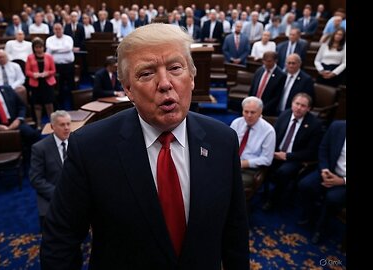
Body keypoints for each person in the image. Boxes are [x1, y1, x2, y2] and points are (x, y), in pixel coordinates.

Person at [41, 23, 250, 269]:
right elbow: (60, 240)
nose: (165, 83)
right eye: (146, 73)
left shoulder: (223, 140)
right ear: (128, 89)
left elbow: (235, 233)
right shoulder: (89, 148)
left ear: (192, 77)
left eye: (175, 68)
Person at [262, 93, 322, 211]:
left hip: (295, 157)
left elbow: (311, 152)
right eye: (297, 104)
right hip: (277, 152)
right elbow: (274, 135)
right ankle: (263, 191)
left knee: (282, 172)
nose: (299, 108)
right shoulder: (285, 114)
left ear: (309, 109)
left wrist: (287, 156)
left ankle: (273, 199)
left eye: (303, 106)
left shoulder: (315, 125)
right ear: (292, 104)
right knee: (262, 162)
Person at [297, 120, 346, 244]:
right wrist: (324, 170)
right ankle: (310, 215)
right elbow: (323, 148)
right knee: (305, 185)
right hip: (328, 171)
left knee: (332, 198)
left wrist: (342, 181)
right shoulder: (337, 126)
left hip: (344, 181)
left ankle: (320, 229)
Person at [30, 110, 71, 230]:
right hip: (52, 192)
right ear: (52, 127)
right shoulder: (39, 148)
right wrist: (58, 194)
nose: (67, 128)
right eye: (62, 125)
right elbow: (36, 179)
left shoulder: (76, 142)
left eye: (68, 124)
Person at [0, 69, 39, 158]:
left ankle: (31, 160)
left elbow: (21, 106)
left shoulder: (8, 89)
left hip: (14, 122)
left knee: (32, 134)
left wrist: (19, 119)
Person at [230, 97, 275, 190]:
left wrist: (244, 163)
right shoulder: (236, 123)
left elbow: (267, 159)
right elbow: (228, 146)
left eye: (253, 112)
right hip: (232, 163)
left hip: (250, 169)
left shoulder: (268, 131)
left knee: (233, 183)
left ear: (260, 112)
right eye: (246, 112)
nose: (249, 115)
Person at [25, 37, 56, 129]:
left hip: (47, 83)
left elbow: (53, 70)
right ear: (34, 48)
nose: (38, 49)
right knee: (37, 105)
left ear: (43, 47)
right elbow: (27, 71)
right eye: (36, 47)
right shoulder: (30, 57)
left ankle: (52, 124)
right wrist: (34, 74)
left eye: (40, 47)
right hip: (35, 83)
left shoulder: (49, 56)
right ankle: (39, 124)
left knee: (49, 104)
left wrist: (47, 73)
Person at [249, 51, 286, 116]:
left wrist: (263, 108)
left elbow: (277, 97)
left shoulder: (281, 75)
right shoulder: (259, 70)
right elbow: (253, 88)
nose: (266, 63)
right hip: (253, 107)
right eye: (264, 61)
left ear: (275, 61)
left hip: (267, 111)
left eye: (269, 61)